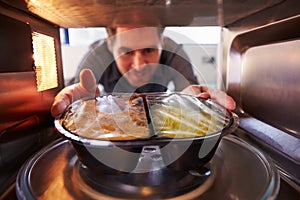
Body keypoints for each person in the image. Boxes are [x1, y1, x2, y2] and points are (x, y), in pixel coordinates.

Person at [51, 26, 236, 118]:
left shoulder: (174, 52)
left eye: (149, 50)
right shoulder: (96, 57)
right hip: (117, 122)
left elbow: (189, 90)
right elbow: (78, 94)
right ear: (110, 45)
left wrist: (195, 102)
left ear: (162, 43)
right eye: (127, 52)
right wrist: (79, 107)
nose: (139, 65)